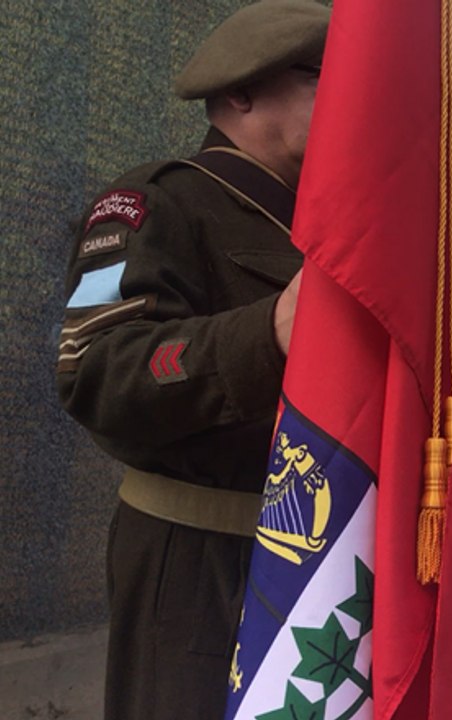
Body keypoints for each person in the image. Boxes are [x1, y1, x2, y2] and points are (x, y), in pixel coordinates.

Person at [54, 2, 329, 718]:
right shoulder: (153, 203)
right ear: (241, 92)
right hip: (199, 555)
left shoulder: (323, 225)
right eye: (322, 78)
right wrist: (267, 331)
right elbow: (99, 372)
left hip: (315, 552)